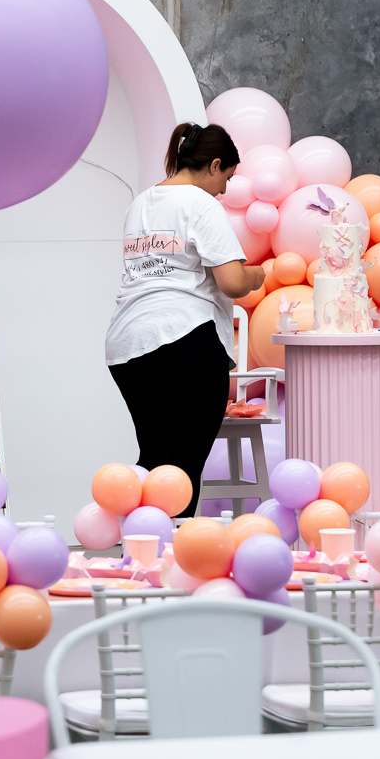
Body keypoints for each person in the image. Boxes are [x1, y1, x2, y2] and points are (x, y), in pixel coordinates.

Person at [104, 123, 266, 517]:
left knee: (154, 462)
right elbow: (232, 282)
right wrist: (257, 275)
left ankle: (142, 546)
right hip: (185, 340)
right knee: (181, 471)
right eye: (227, 177)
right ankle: (170, 552)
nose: (224, 189)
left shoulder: (140, 203)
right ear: (214, 165)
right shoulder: (201, 204)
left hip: (128, 346)